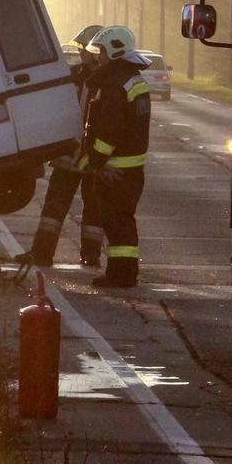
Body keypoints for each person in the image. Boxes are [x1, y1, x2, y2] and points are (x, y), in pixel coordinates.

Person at [16, 25, 105, 271]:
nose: (80, 54)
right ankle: (41, 253)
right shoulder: (73, 74)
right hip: (68, 155)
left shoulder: (108, 81)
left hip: (94, 157)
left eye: (83, 49)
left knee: (94, 210)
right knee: (53, 208)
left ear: (96, 51)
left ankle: (91, 256)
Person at [80, 25, 151, 288]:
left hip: (116, 171)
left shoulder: (114, 85)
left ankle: (119, 275)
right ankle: (126, 272)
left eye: (101, 50)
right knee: (123, 222)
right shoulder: (133, 79)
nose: (99, 56)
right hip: (131, 170)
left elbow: (108, 130)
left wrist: (96, 162)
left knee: (116, 223)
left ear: (115, 50)